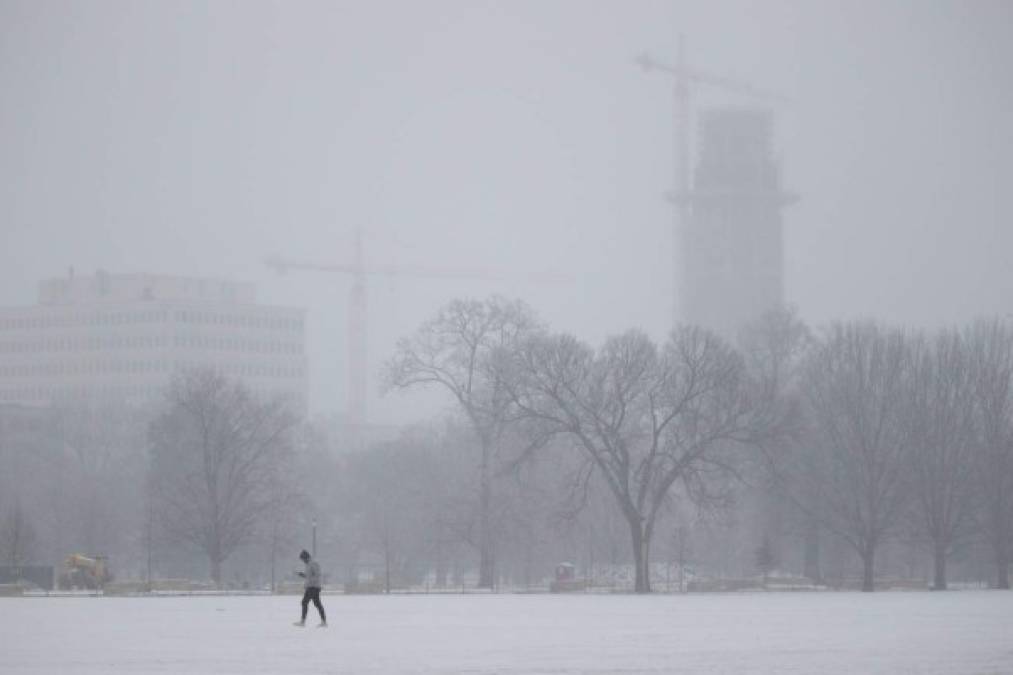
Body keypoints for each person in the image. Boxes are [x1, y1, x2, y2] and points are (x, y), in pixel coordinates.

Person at [294, 549, 327, 627]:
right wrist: (302, 575)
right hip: (311, 586)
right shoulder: (308, 564)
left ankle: (303, 622)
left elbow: (317, 575)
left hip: (313, 587)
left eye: (303, 559)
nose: (303, 561)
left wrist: (309, 579)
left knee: (304, 602)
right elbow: (309, 576)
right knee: (317, 604)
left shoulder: (313, 564)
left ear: (306, 557)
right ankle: (323, 621)